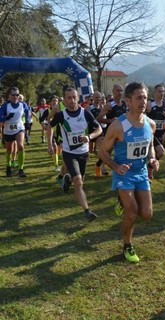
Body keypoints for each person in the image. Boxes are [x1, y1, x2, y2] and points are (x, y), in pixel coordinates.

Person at [99, 82, 159, 263]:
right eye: (138, 98)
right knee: (131, 212)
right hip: (123, 173)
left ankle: (121, 200)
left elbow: (150, 147)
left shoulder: (151, 124)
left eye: (145, 98)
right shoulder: (118, 126)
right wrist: (115, 166)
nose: (143, 102)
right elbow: (102, 152)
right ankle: (127, 244)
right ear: (128, 101)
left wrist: (152, 159)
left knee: (147, 214)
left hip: (141, 173)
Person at [47, 86, 102, 222]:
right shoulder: (61, 115)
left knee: (80, 180)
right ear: (64, 100)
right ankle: (87, 211)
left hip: (84, 153)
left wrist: (89, 137)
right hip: (69, 153)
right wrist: (49, 143)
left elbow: (99, 129)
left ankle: (67, 179)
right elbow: (49, 126)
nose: (72, 100)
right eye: (69, 98)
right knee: (78, 182)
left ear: (78, 98)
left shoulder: (85, 113)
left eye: (74, 97)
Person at [95, 84, 127, 176]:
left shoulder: (124, 104)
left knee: (121, 151)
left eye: (121, 91)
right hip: (110, 132)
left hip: (122, 133)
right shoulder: (109, 105)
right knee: (107, 152)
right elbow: (98, 118)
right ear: (113, 91)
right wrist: (110, 120)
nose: (119, 93)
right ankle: (100, 166)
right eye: (117, 91)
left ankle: (122, 169)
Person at [146, 84, 165, 179]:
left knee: (154, 154)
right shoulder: (149, 103)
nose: (162, 93)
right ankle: (149, 171)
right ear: (154, 92)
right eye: (159, 91)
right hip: (150, 133)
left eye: (163, 91)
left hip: (161, 134)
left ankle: (148, 169)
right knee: (161, 152)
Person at [0, 87, 30, 177]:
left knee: (21, 146)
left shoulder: (22, 104)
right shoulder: (6, 105)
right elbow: (0, 117)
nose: (15, 96)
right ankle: (8, 167)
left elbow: (27, 111)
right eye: (13, 94)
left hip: (19, 128)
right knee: (9, 149)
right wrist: (6, 118)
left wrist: (27, 121)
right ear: (9, 95)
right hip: (8, 129)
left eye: (17, 94)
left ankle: (21, 169)